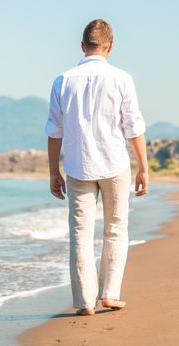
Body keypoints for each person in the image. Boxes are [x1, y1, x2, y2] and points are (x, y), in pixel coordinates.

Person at [45, 19, 149, 316]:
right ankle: (110, 294)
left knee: (80, 232)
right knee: (116, 229)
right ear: (110, 47)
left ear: (82, 46)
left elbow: (55, 131)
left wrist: (54, 171)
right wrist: (144, 167)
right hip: (115, 164)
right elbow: (133, 126)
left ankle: (83, 303)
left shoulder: (62, 80)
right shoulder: (122, 78)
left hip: (78, 166)